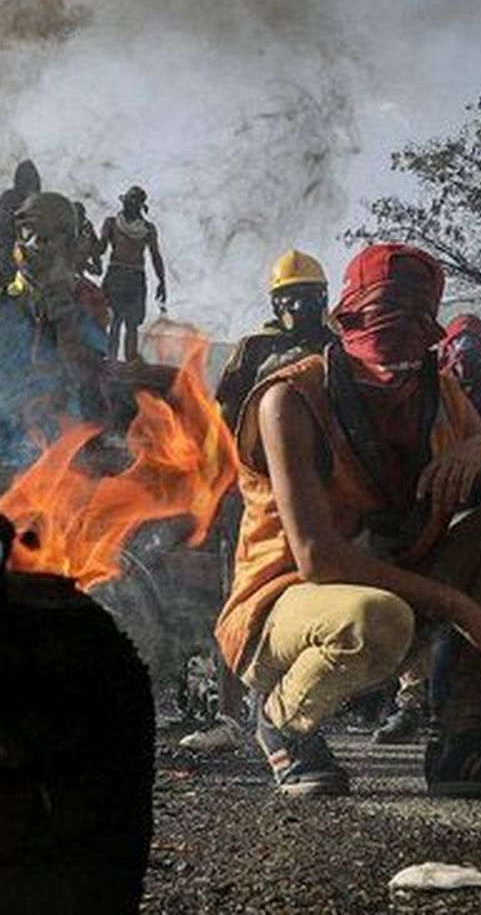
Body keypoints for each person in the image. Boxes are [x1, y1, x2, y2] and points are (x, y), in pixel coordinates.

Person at [214, 242, 481, 799]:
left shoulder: (441, 391)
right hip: (285, 605)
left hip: (398, 578)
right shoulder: (289, 398)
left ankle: (464, 741)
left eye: (410, 327)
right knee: (379, 618)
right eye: (377, 323)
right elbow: (317, 558)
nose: (393, 352)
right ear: (343, 321)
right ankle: (281, 721)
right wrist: (459, 605)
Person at [179, 249, 337, 754]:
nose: (300, 306)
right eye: (290, 297)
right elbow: (222, 423)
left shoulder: (339, 350)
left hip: (318, 497)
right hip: (253, 498)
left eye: (309, 296)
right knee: (240, 601)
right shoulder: (253, 350)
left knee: (310, 598)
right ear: (274, 301)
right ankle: (229, 716)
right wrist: (212, 486)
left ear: (325, 298)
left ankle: (296, 714)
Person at [374, 313, 481, 743]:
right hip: (434, 514)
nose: (467, 353)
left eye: (474, 344)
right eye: (459, 344)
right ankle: (410, 703)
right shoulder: (432, 391)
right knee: (422, 605)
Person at [0, 191, 108, 503]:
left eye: (54, 234)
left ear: (71, 247)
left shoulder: (86, 317)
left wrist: (64, 319)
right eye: (31, 231)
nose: (41, 244)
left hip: (60, 473)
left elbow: (93, 388)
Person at [97, 185, 167, 362]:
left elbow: (155, 255)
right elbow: (100, 248)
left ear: (139, 206)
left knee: (132, 323)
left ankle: (130, 363)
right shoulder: (111, 223)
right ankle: (110, 360)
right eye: (128, 201)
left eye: (133, 202)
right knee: (114, 320)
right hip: (116, 275)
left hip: (135, 278)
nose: (128, 206)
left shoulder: (148, 229)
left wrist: (162, 281)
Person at [0, 160, 42, 295]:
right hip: (10, 259)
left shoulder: (39, 203)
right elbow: (2, 229)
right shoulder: (8, 199)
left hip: (34, 264)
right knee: (7, 294)